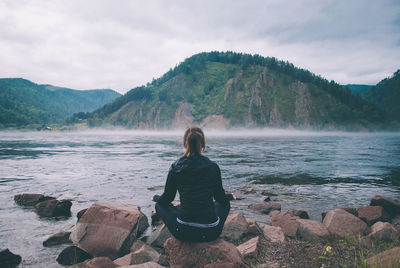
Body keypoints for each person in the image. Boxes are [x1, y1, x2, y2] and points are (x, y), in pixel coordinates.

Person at [152, 127, 236, 242]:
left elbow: (167, 198)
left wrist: (156, 198)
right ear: (202, 144)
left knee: (160, 205)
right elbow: (220, 198)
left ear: (185, 144)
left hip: (183, 231)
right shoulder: (213, 167)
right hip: (211, 232)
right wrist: (230, 196)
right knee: (224, 204)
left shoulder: (176, 167)